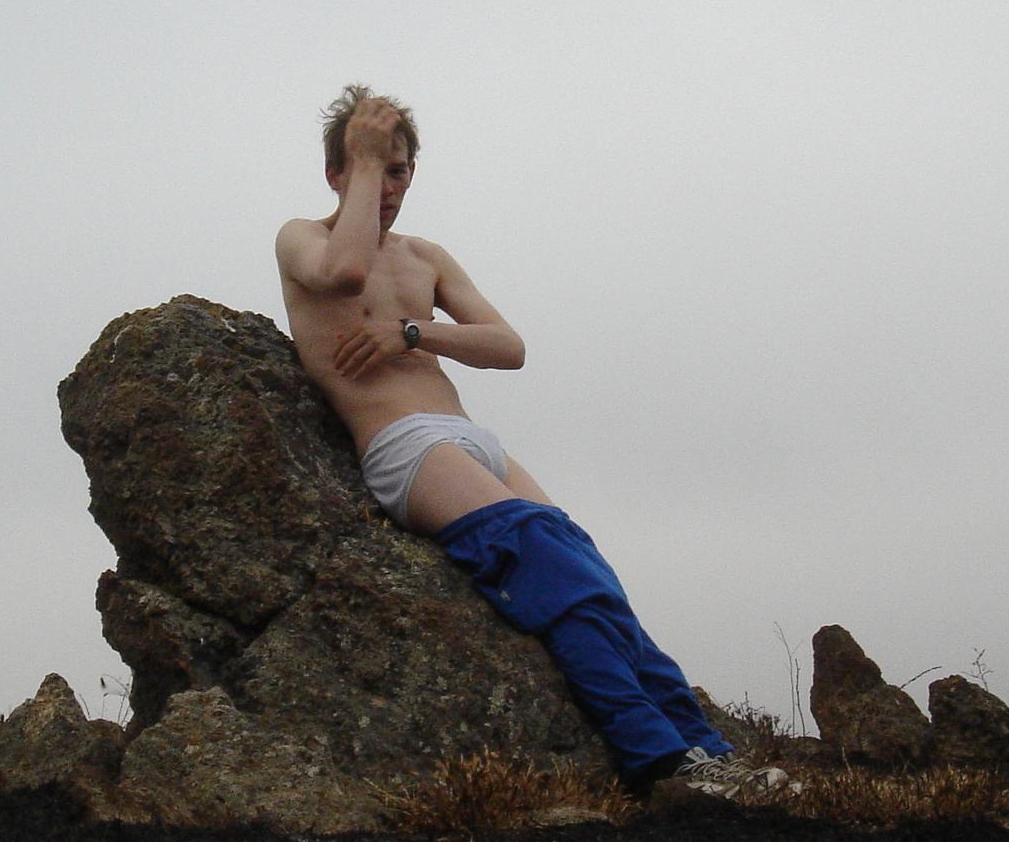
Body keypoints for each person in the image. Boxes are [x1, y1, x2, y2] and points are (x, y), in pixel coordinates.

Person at [274, 84, 763, 800]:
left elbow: (508, 346)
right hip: (402, 445)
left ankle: (708, 754)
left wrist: (410, 331)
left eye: (401, 169)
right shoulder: (304, 237)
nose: (388, 187)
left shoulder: (424, 256)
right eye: (374, 167)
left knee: (591, 572)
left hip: (470, 439)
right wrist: (367, 157)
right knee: (546, 563)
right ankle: (657, 760)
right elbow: (343, 274)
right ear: (337, 173)